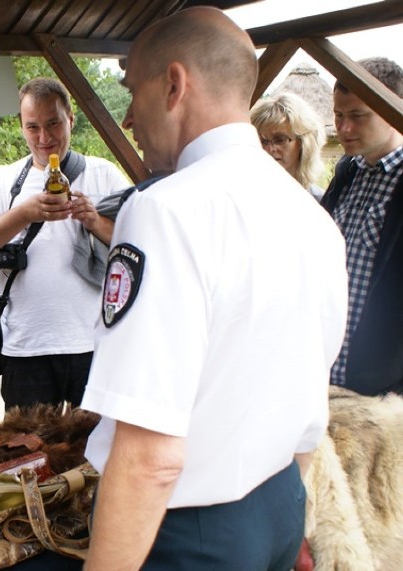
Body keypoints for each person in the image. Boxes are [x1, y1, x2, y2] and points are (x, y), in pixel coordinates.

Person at [79, 7, 348, 570]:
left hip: (189, 532)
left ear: (174, 84)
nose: (128, 118)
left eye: (133, 91)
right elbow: (308, 404)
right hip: (277, 503)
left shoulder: (164, 210)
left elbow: (149, 454)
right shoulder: (313, 216)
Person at [0, 77, 129, 410]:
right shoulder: (1, 181)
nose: (45, 138)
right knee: (27, 455)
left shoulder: (103, 174)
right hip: (25, 349)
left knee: (90, 454)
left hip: (92, 345)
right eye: (32, 127)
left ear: (71, 120)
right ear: (21, 127)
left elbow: (138, 251)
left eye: (54, 124)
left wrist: (94, 220)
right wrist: (23, 214)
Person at [323, 57, 403, 397]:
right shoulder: (347, 173)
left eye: (357, 116)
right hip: (327, 374)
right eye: (339, 115)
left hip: (384, 390)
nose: (344, 129)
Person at [250, 92, 328, 200]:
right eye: (262, 141)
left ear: (304, 143)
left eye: (280, 140)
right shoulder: (245, 196)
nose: (269, 149)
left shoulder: (322, 203)